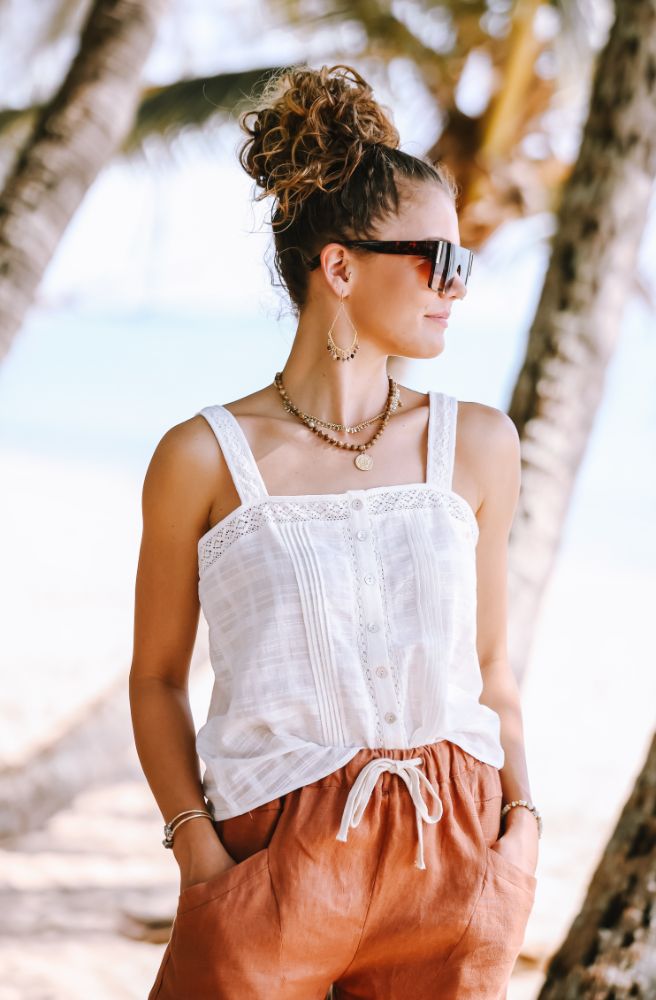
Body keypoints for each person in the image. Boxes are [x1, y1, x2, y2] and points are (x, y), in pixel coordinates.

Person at [130, 62, 541, 1000]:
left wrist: (522, 829)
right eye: (435, 260)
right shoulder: (201, 457)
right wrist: (198, 852)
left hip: (458, 854)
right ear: (341, 267)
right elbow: (156, 678)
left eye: (462, 262)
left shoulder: (476, 444)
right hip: (273, 857)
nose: (457, 286)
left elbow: (492, 669)